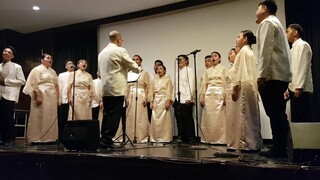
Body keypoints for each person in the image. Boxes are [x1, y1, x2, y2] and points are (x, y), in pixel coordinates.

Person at [255, 0, 292, 157]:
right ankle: (282, 146)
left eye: (257, 9)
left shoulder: (267, 23)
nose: (255, 12)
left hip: (272, 76)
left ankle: (279, 148)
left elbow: (265, 51)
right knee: (279, 113)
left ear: (264, 8)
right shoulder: (277, 23)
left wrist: (261, 75)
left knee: (275, 114)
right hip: (281, 75)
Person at [98, 30, 141, 149]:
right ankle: (107, 140)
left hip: (105, 88)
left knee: (107, 114)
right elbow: (132, 65)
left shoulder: (101, 53)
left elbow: (101, 71)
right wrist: (138, 69)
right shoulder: (120, 50)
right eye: (121, 40)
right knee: (114, 115)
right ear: (118, 40)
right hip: (116, 88)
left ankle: (103, 139)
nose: (122, 42)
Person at [229, 30, 263, 151]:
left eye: (239, 37)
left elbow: (240, 72)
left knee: (244, 115)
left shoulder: (243, 51)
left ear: (245, 39)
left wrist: (235, 88)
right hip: (251, 87)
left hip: (244, 86)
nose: (236, 39)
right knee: (251, 115)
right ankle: (253, 143)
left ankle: (246, 143)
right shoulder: (250, 51)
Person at [23, 53, 59, 143]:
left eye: (51, 58)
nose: (50, 59)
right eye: (48, 58)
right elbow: (32, 83)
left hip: (52, 95)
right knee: (40, 115)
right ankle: (37, 137)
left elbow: (56, 85)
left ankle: (50, 138)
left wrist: (58, 98)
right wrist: (38, 95)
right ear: (42, 60)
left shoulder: (53, 71)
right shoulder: (37, 69)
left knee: (50, 115)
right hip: (41, 93)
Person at [284, 24, 313, 122]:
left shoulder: (303, 45)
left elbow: (302, 67)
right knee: (297, 117)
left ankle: (308, 137)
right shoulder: (292, 49)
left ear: (295, 32)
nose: (286, 34)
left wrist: (299, 86)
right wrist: (288, 87)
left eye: (287, 31)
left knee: (303, 117)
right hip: (293, 88)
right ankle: (299, 137)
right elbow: (292, 70)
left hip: (301, 89)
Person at [0, 46, 26, 147]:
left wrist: (5, 81)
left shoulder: (17, 67)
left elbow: (22, 81)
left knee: (8, 117)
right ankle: (3, 138)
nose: (6, 53)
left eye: (9, 52)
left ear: (12, 56)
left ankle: (11, 139)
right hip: (0, 94)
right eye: (5, 51)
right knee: (1, 117)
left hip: (9, 95)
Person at [199, 51, 227, 145]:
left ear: (219, 59)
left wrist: (226, 96)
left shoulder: (224, 69)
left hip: (219, 93)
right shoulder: (208, 71)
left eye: (215, 56)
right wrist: (203, 96)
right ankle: (209, 138)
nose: (213, 57)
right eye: (212, 56)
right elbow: (205, 85)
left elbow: (226, 83)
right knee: (209, 116)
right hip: (209, 94)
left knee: (220, 117)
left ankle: (221, 139)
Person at [125, 54, 150, 143]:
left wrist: (146, 98)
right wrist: (126, 98)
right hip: (131, 95)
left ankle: (141, 137)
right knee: (131, 116)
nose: (135, 61)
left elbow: (147, 87)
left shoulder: (144, 72)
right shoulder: (129, 73)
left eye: (137, 59)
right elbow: (127, 87)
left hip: (141, 95)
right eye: (134, 59)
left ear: (140, 61)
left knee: (141, 116)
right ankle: (131, 136)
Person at [174, 54, 195, 144]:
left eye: (181, 60)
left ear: (186, 61)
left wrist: (188, 98)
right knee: (179, 119)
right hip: (178, 98)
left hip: (185, 98)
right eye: (178, 60)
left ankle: (191, 138)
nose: (179, 61)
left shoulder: (189, 70)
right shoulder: (177, 72)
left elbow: (190, 84)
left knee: (187, 119)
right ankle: (182, 137)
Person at [149, 64, 173, 143]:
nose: (159, 70)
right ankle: (155, 138)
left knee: (165, 120)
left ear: (164, 70)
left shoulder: (168, 80)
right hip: (156, 101)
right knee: (155, 120)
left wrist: (168, 101)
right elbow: (151, 92)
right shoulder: (154, 80)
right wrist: (151, 102)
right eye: (157, 69)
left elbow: (169, 91)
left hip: (163, 100)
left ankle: (165, 138)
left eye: (161, 68)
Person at [58, 59, 74, 139]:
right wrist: (59, 99)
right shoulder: (61, 75)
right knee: (63, 118)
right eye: (69, 63)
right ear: (66, 66)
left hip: (75, 98)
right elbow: (60, 87)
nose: (71, 64)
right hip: (64, 98)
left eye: (72, 63)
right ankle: (62, 136)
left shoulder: (76, 74)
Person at [225, 48, 238, 150]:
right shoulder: (229, 68)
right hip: (228, 93)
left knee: (236, 117)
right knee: (230, 118)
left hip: (235, 93)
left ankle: (237, 141)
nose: (229, 55)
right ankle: (231, 141)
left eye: (231, 53)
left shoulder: (238, 66)